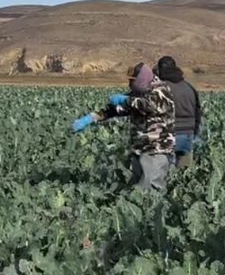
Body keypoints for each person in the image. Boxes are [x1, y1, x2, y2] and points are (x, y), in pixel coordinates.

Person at [71, 62, 176, 190]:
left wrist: (126, 100)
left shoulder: (160, 91)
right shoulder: (138, 93)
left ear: (142, 79)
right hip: (140, 148)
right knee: (138, 188)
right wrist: (91, 118)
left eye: (132, 80)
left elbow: (149, 105)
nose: (130, 84)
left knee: (151, 188)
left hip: (157, 149)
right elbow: (117, 109)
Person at [153, 55, 202, 167]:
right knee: (184, 174)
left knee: (165, 173)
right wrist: (194, 132)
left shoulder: (160, 89)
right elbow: (198, 113)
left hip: (167, 134)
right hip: (187, 134)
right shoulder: (189, 88)